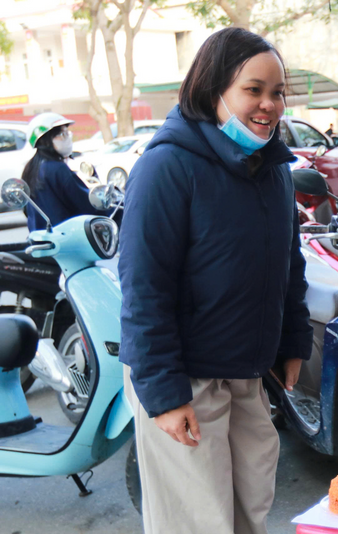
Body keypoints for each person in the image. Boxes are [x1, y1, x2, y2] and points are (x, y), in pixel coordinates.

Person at [118, 27, 312, 534]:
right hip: (186, 380)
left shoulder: (272, 168)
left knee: (250, 511)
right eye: (253, 90)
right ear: (213, 90)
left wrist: (292, 340)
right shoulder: (166, 167)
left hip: (247, 372)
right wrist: (165, 395)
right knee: (199, 523)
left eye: (277, 93)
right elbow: (144, 288)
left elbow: (287, 262)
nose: (269, 105)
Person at [20, 113, 108, 231]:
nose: (67, 138)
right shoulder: (57, 169)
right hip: (66, 239)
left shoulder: (30, 169)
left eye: (67, 133)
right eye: (62, 134)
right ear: (45, 140)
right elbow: (85, 204)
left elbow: (27, 210)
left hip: (39, 238)